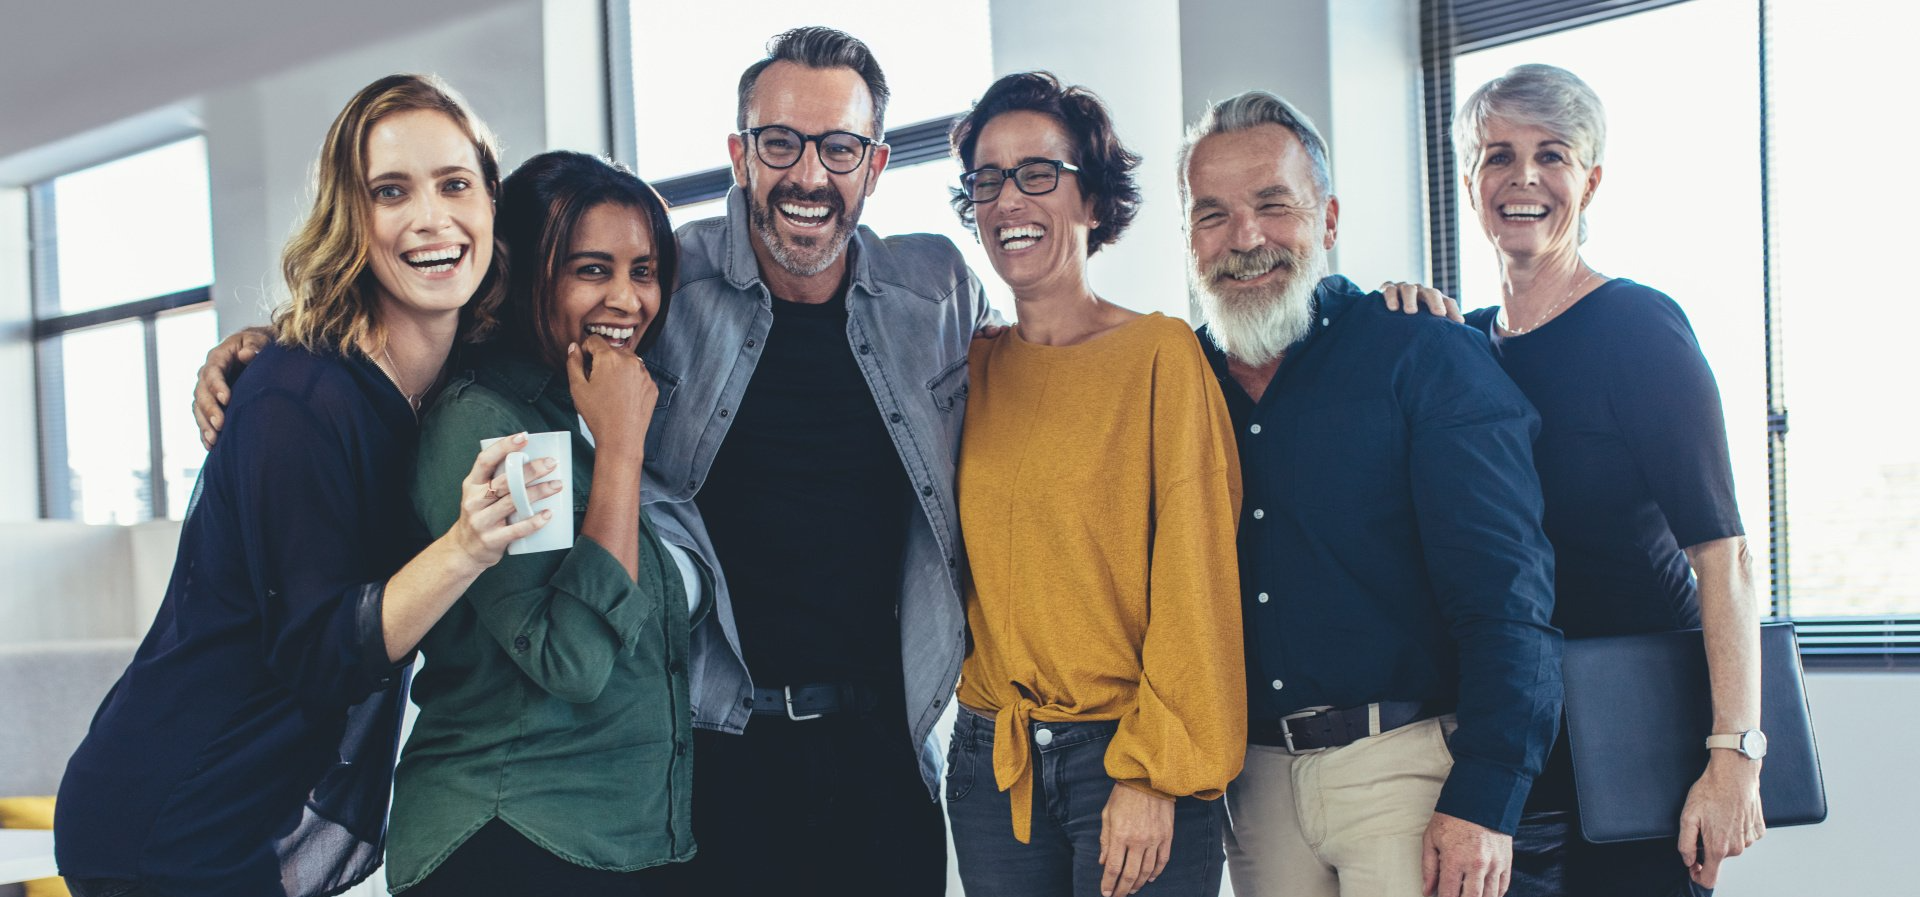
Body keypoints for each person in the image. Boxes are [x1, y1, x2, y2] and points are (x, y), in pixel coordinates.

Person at [55, 74, 555, 897]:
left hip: (248, 805)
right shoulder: (297, 395)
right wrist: (465, 547)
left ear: (491, 200)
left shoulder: (451, 383)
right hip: (170, 806)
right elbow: (323, 651)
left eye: (455, 184)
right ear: (352, 219)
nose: (432, 217)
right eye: (391, 191)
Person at [1383, 63, 1763, 896]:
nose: (1523, 178)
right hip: (1510, 751)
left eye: (1551, 155)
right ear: (1471, 180)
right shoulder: (1461, 345)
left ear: (1590, 181)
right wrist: (1395, 319)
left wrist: (1735, 753)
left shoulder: (1638, 326)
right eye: (1497, 155)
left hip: (1641, 742)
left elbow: (1723, 554)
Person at [1178, 90, 1562, 897]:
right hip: (1252, 789)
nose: (1244, 239)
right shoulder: (1177, 382)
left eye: (1273, 205)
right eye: (1212, 215)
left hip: (1411, 775)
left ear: (1328, 219)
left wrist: (1488, 797)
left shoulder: (1422, 354)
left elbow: (1509, 595)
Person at [940, 72, 1245, 897]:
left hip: (1127, 755)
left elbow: (1196, 582)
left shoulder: (1159, 355)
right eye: (989, 179)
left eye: (1039, 173)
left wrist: (1152, 773)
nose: (1010, 199)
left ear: (1093, 202)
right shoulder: (968, 370)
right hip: (992, 765)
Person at [386, 151, 696, 894]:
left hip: (618, 842)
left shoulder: (588, 403)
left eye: (643, 270)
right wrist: (621, 450)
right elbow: (574, 660)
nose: (627, 298)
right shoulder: (495, 426)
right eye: (593, 269)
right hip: (514, 841)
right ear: (528, 273)